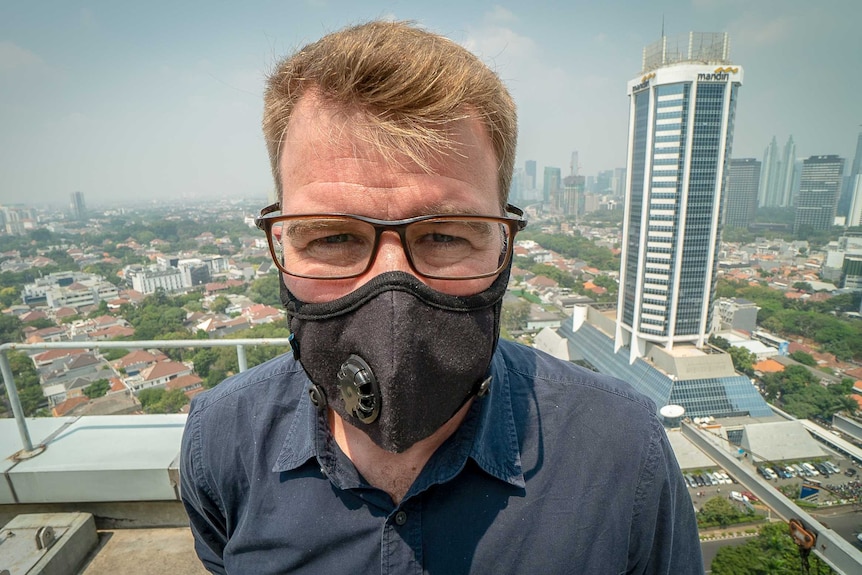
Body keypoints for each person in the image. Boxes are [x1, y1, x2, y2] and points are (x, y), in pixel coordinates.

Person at [180, 20, 703, 574]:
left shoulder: (622, 453)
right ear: (282, 243)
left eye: (446, 235)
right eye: (332, 237)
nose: (390, 286)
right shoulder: (222, 441)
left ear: (504, 241)